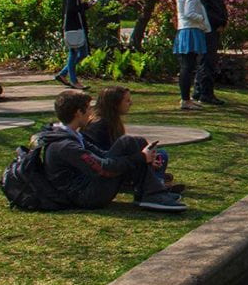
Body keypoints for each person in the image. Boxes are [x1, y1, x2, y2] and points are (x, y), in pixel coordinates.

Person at [38, 89, 186, 211]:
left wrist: (142, 159)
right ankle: (152, 193)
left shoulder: (74, 136)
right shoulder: (65, 145)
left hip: (89, 185)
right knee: (131, 148)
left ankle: (150, 193)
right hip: (84, 196)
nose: (91, 112)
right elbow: (103, 168)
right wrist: (140, 158)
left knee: (131, 142)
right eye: (88, 108)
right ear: (78, 113)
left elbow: (102, 154)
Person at [84, 86, 182, 191]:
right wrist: (142, 158)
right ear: (114, 104)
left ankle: (154, 179)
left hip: (120, 160)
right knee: (152, 154)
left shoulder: (113, 121)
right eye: (127, 101)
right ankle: (155, 184)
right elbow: (105, 155)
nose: (131, 103)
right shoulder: (99, 125)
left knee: (160, 154)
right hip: (110, 165)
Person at [53, 0, 101, 90]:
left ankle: (63, 74)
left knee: (77, 53)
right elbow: (73, 10)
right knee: (76, 53)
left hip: (69, 26)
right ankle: (73, 80)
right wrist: (87, 5)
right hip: (75, 26)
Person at [174, 0, 211, 111]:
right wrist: (201, 19)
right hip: (190, 30)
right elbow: (189, 13)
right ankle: (185, 99)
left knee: (188, 66)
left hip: (188, 30)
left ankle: (186, 98)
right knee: (187, 66)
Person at [194, 0, 228, 106]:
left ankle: (199, 91)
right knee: (207, 61)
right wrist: (219, 22)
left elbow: (220, 6)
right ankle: (205, 93)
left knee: (208, 60)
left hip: (216, 28)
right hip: (208, 29)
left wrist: (224, 21)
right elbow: (206, 11)